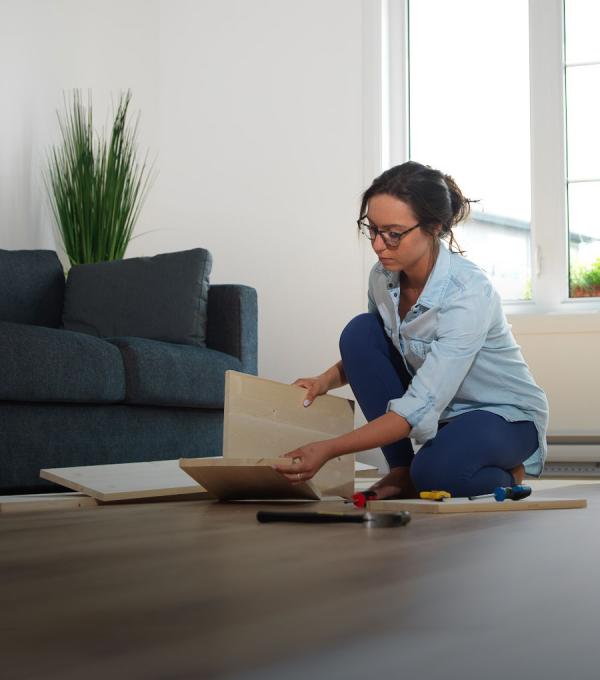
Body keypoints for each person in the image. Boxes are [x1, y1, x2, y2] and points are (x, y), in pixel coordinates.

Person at [274, 161, 549, 499]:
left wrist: (329, 449)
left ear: (434, 227)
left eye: (393, 233)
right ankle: (402, 470)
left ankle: (508, 473)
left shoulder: (467, 293)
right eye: (372, 229)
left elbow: (418, 407)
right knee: (360, 332)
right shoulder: (382, 276)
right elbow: (377, 351)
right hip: (443, 415)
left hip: (502, 416)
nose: (378, 245)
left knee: (434, 476)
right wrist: (324, 381)